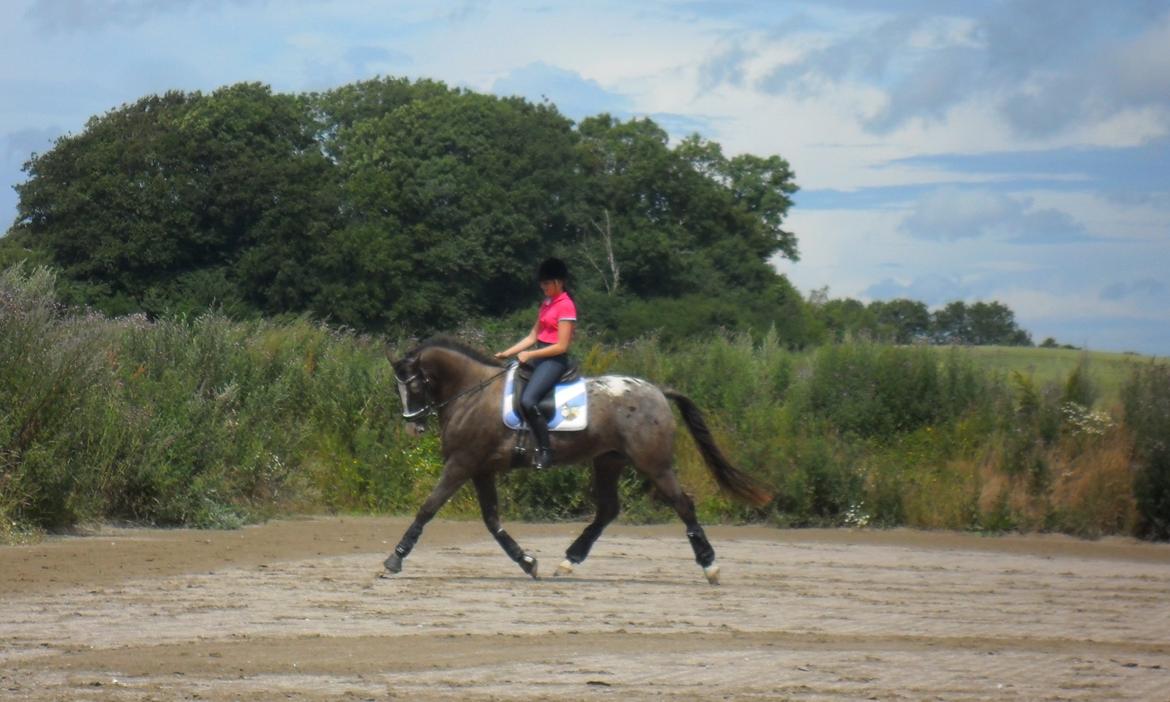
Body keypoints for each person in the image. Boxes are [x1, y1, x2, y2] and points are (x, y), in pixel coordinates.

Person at [495, 257, 577, 470]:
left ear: (559, 282)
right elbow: (533, 336)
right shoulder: (547, 304)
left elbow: (562, 346)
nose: (543, 287)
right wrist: (507, 353)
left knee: (528, 400)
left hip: (553, 360)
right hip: (539, 356)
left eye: (547, 284)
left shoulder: (566, 306)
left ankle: (546, 450)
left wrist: (530, 355)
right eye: (542, 284)